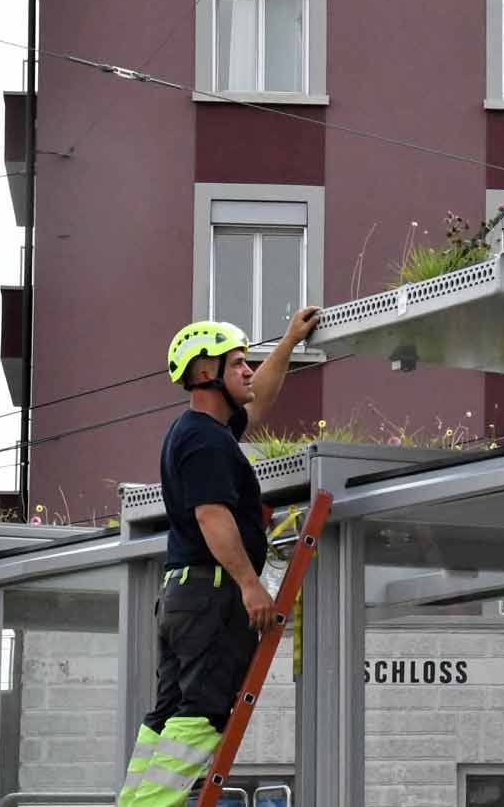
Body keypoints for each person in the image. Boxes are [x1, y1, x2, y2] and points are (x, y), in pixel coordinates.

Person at [117, 308, 320, 807]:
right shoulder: (206, 441)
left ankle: (135, 804)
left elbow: (261, 398)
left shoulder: (200, 432)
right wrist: (251, 584)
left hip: (184, 595)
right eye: (237, 364)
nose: (248, 370)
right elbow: (213, 516)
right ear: (207, 373)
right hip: (211, 593)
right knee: (203, 713)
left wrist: (290, 342)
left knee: (167, 716)